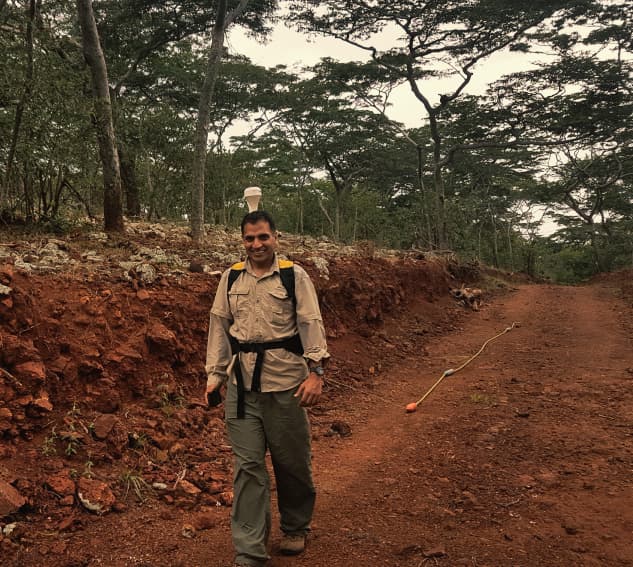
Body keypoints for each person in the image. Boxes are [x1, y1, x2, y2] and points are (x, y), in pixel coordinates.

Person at [205, 210, 330, 567]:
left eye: (263, 237)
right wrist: (214, 375)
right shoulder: (231, 278)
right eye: (249, 239)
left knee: (291, 462)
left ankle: (295, 526)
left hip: (287, 385)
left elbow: (311, 322)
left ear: (275, 237)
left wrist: (316, 372)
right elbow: (219, 326)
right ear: (242, 241)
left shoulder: (294, 276)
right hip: (242, 389)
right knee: (247, 467)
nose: (256, 244)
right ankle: (250, 551)